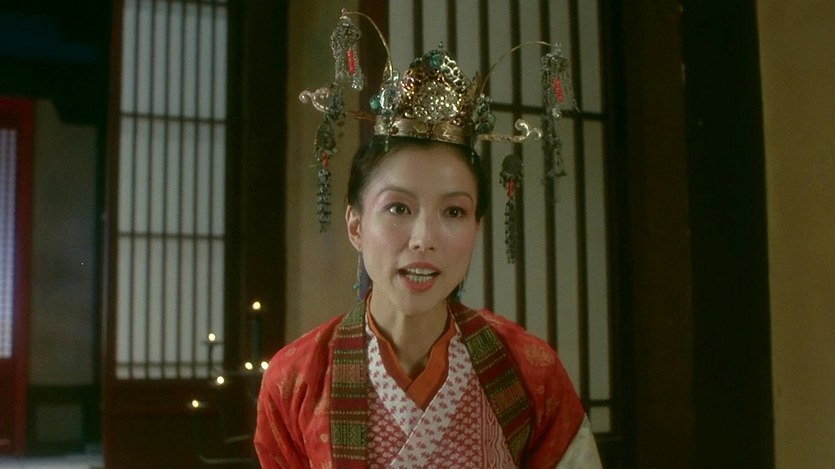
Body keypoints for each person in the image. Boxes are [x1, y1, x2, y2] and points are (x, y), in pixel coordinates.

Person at [255, 11, 602, 469]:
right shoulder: (296, 378)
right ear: (355, 225)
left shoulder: (529, 370)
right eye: (398, 208)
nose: (424, 239)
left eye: (453, 212)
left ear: (476, 228)